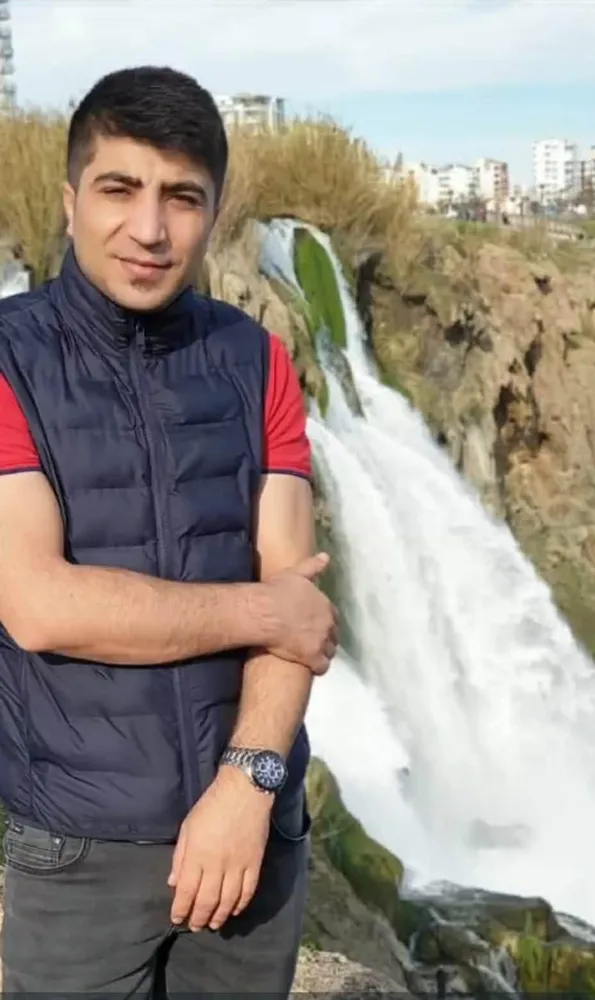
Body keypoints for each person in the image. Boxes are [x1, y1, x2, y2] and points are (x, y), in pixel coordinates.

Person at [0, 65, 338, 997]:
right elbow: (38, 605)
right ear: (69, 201)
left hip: (254, 833)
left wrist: (248, 782)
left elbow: (297, 593)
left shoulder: (255, 358)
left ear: (213, 212)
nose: (149, 230)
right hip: (79, 848)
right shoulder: (8, 360)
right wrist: (265, 611)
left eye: (182, 198)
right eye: (120, 188)